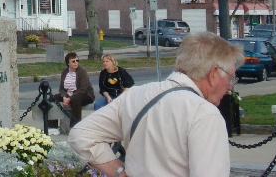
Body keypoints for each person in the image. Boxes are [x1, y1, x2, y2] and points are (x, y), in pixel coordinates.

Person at [68, 32, 244, 177]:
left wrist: (119, 172)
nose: (230, 86)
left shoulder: (135, 95)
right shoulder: (204, 114)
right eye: (230, 76)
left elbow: (81, 135)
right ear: (213, 73)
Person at [57, 51, 95, 126]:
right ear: (68, 63)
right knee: (52, 99)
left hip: (85, 95)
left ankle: (75, 125)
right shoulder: (65, 71)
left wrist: (70, 99)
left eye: (77, 61)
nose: (76, 63)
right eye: (73, 61)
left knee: (76, 99)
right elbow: (62, 87)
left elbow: (82, 89)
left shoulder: (82, 71)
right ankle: (52, 126)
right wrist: (64, 97)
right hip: (68, 94)